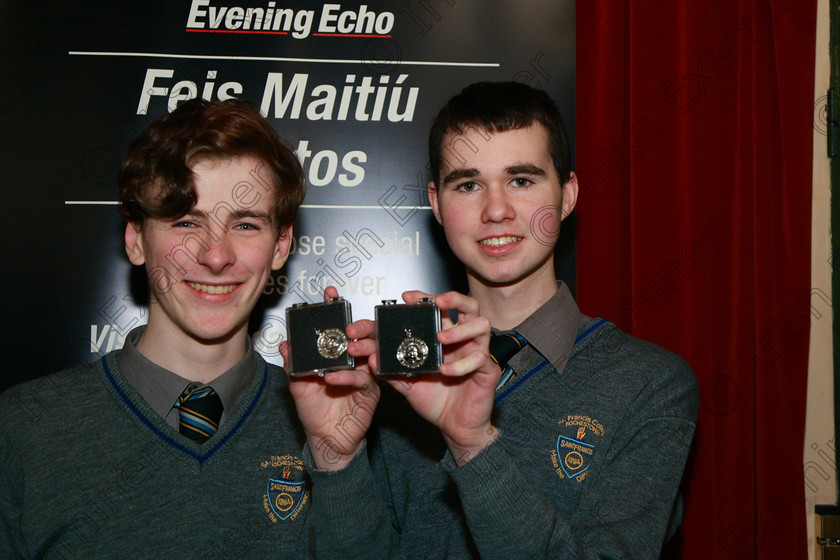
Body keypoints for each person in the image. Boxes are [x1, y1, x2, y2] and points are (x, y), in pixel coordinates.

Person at [0, 99, 388, 559]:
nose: (215, 255)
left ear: (281, 245)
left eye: (244, 224)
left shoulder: (351, 427)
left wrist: (335, 463)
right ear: (136, 239)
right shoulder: (25, 428)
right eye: (186, 221)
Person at [365, 82, 699, 558]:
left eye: (521, 180)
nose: (496, 210)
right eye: (468, 184)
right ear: (437, 204)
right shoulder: (402, 380)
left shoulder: (649, 384)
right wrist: (334, 458)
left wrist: (474, 445)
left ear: (567, 195)